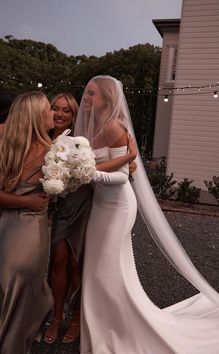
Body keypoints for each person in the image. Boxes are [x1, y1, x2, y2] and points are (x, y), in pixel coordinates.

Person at [74, 75, 219, 354]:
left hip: (118, 207)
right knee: (97, 269)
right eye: (86, 93)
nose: (87, 98)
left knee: (109, 269)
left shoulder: (113, 127)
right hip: (100, 207)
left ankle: (120, 329)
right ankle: (102, 325)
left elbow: (123, 176)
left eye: (93, 94)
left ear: (108, 99)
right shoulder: (90, 128)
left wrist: (91, 174)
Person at [44, 93, 137, 344]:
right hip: (58, 207)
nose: (60, 114)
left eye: (67, 111)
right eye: (55, 108)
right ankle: (56, 316)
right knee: (58, 261)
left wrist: (129, 158)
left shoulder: (81, 139)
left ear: (75, 116)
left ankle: (76, 319)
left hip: (85, 205)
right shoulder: (42, 135)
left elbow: (114, 163)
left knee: (78, 263)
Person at [0, 91, 54, 354]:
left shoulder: (7, 144)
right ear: (35, 116)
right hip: (28, 230)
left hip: (7, 227)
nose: (53, 114)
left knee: (12, 288)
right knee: (22, 290)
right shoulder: (51, 151)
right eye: (48, 110)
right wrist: (27, 202)